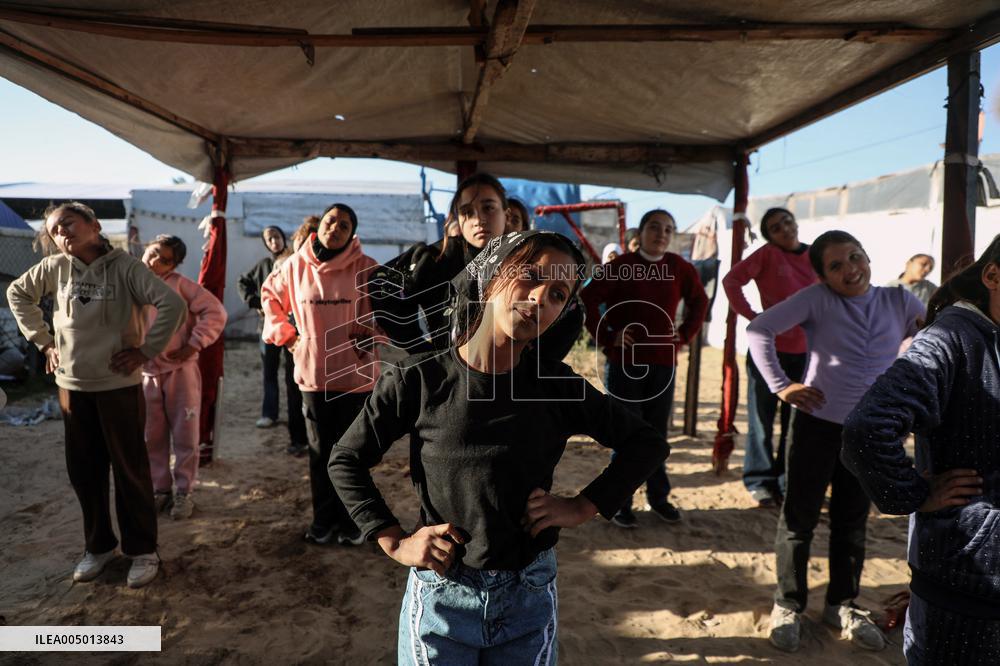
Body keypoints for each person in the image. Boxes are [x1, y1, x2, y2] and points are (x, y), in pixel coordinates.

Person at [329, 231, 669, 664]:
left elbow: (646, 443)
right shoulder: (419, 379)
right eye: (531, 275)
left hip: (528, 595)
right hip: (441, 598)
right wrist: (394, 541)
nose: (541, 296)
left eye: (559, 293)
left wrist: (584, 505)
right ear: (491, 277)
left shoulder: (556, 385)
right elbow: (346, 459)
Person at [747, 230, 925, 653]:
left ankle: (840, 604)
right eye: (837, 265)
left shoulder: (899, 300)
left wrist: (906, 386)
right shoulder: (816, 300)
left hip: (870, 430)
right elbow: (759, 330)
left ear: (868, 256)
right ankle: (788, 603)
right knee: (799, 518)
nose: (851, 269)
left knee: (852, 518)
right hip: (816, 424)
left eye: (856, 257)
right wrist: (781, 386)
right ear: (823, 276)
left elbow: (930, 337)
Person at [7, 202, 186, 588]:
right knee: (85, 473)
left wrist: (145, 351)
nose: (61, 233)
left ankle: (142, 550)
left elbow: (172, 304)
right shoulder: (55, 268)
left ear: (94, 225)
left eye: (68, 224)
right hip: (72, 387)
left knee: (129, 470)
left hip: (117, 387)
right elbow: (17, 293)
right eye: (54, 230)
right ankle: (99, 547)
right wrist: (44, 343)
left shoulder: (126, 268)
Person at [842, 235, 1000, 665]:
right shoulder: (951, 337)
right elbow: (867, 429)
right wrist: (913, 494)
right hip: (964, 587)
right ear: (992, 275)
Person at [580, 209, 709, 527]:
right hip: (625, 364)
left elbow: (700, 302)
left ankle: (658, 498)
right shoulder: (621, 267)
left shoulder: (680, 268)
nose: (662, 233)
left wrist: (684, 336)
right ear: (643, 230)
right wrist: (608, 338)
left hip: (664, 363)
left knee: (656, 435)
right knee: (626, 435)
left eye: (669, 228)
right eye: (655, 226)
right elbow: (587, 298)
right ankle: (620, 502)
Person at [262, 203, 380, 546]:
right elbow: (269, 296)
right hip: (314, 376)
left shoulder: (367, 268)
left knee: (352, 456)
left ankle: (352, 524)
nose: (336, 228)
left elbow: (392, 310)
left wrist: (372, 336)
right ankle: (323, 522)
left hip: (356, 378)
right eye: (331, 221)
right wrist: (288, 335)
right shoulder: (295, 265)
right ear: (320, 225)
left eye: (344, 225)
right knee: (320, 455)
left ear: (351, 233)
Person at [371, 173, 583, 362]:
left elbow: (571, 311)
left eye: (488, 208)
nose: (479, 219)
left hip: (510, 386)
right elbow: (380, 284)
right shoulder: (438, 257)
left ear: (506, 215)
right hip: (448, 383)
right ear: (457, 219)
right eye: (466, 212)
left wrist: (533, 365)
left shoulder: (529, 258)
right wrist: (419, 348)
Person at [722, 207, 817, 507]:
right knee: (761, 421)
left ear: (796, 222)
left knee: (796, 423)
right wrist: (753, 316)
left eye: (787, 221)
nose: (784, 229)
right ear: (770, 237)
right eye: (776, 227)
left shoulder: (817, 255)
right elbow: (731, 281)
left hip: (808, 355)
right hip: (768, 352)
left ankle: (787, 482)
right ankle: (759, 482)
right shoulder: (767, 255)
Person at [140, 235, 227, 520]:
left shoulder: (181, 286)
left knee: (185, 435)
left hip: (181, 371)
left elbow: (215, 311)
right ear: (145, 249)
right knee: (151, 436)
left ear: (175, 265)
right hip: (146, 373)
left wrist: (194, 343)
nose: (155, 262)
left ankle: (184, 491)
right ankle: (160, 489)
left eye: (165, 260)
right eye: (153, 253)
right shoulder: (132, 284)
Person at [238, 225, 308, 455]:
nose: (274, 242)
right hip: (267, 328)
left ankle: (298, 425)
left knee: (293, 378)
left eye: (276, 237)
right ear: (266, 243)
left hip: (294, 330)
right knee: (270, 372)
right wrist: (257, 303)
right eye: (269, 239)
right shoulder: (263, 266)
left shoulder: (294, 261)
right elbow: (244, 283)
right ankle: (270, 414)